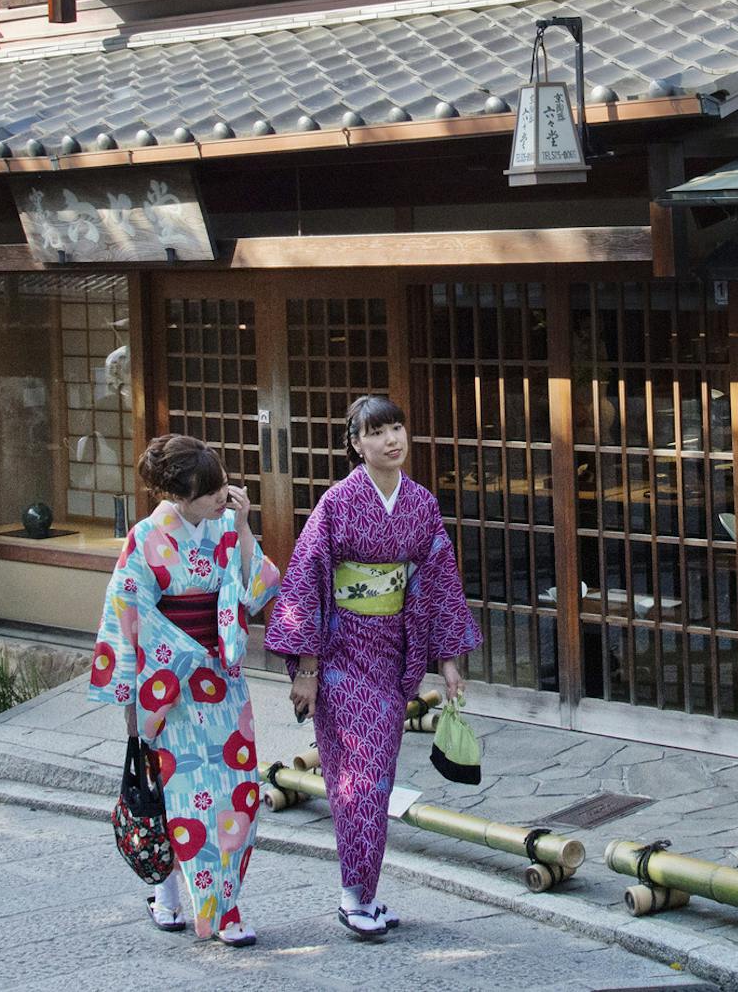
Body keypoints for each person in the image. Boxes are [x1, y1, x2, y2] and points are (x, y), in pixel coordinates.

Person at [266, 394, 481, 940]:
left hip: (391, 650)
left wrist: (449, 660)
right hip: (340, 653)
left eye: (397, 427)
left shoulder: (422, 504)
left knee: (377, 774)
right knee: (356, 775)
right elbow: (307, 582)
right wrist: (307, 669)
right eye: (377, 431)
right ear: (356, 444)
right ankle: (353, 896)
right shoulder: (337, 504)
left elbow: (439, 582)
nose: (392, 439)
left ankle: (362, 891)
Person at [87, 434, 279, 947]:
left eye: (221, 486)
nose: (223, 496)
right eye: (210, 491)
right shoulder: (146, 538)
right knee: (182, 798)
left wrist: (241, 527)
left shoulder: (225, 527)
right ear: (178, 496)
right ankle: (178, 897)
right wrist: (132, 699)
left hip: (223, 682)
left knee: (239, 794)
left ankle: (226, 901)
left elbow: (259, 588)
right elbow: (127, 620)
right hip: (170, 691)